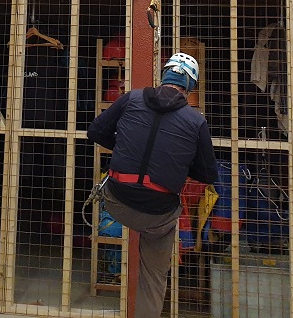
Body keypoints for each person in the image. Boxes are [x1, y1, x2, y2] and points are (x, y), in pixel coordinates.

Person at [87, 52, 217, 318]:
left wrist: (125, 146)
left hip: (117, 201)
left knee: (130, 212)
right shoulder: (196, 121)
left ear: (164, 76)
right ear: (190, 87)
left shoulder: (131, 98)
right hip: (157, 215)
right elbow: (208, 174)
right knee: (153, 277)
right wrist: (178, 162)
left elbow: (96, 131)